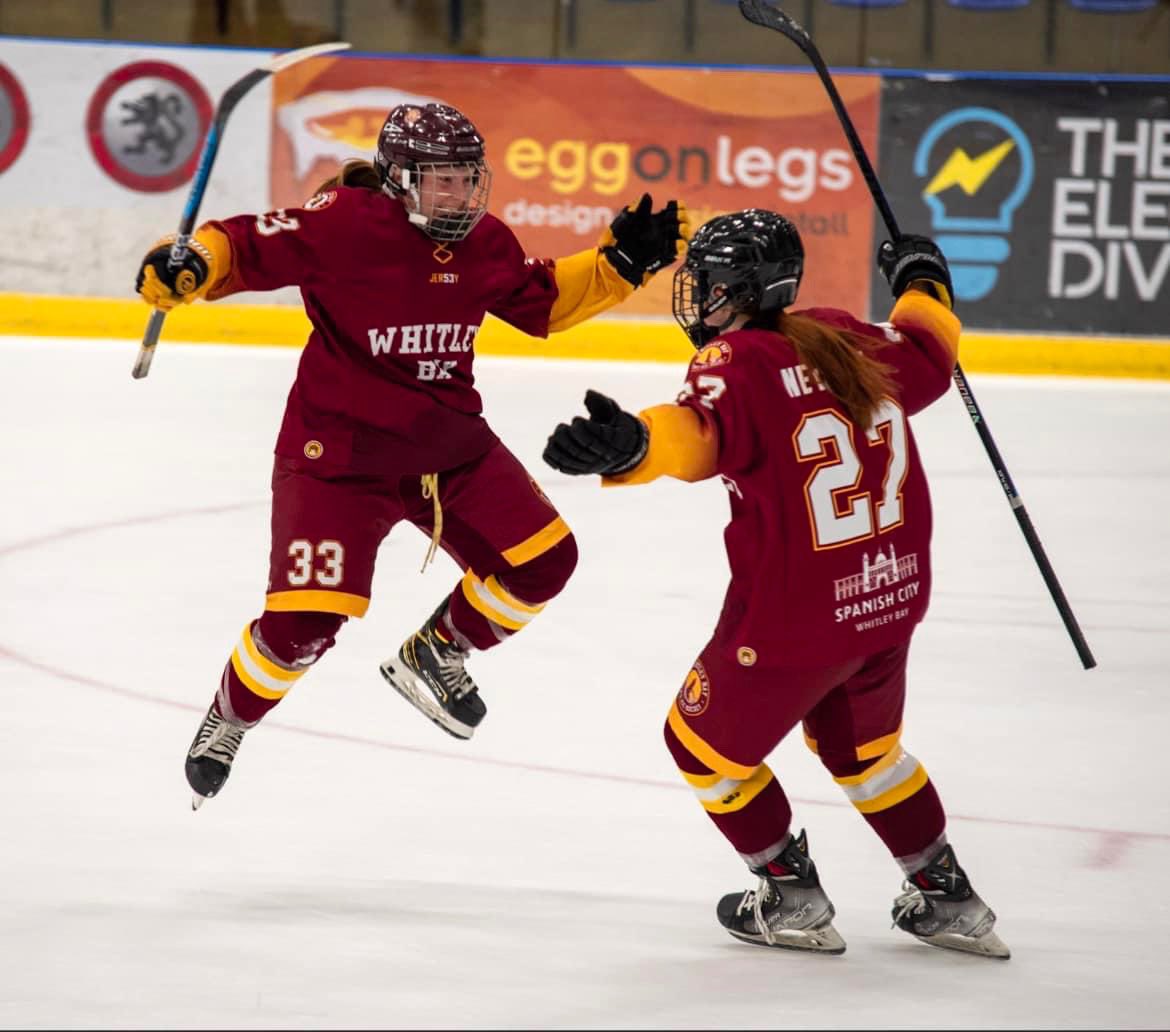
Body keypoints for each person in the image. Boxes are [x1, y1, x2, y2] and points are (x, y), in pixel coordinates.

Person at [134, 101, 690, 808]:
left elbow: (540, 302)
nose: (458, 195)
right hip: (338, 458)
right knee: (301, 628)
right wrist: (191, 262)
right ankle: (231, 717)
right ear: (399, 178)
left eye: (466, 179)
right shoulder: (344, 223)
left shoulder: (483, 241)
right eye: (441, 180)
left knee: (545, 561)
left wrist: (619, 264)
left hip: (448, 448)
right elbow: (243, 245)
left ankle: (439, 650)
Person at [542, 209, 1009, 960]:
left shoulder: (735, 362)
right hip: (887, 600)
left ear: (742, 290)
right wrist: (924, 280)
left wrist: (637, 445)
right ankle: (947, 895)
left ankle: (790, 896)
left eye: (710, 284)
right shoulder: (845, 335)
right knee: (868, 755)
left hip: (798, 619)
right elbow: (928, 352)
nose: (700, 298)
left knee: (699, 747)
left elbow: (702, 435)